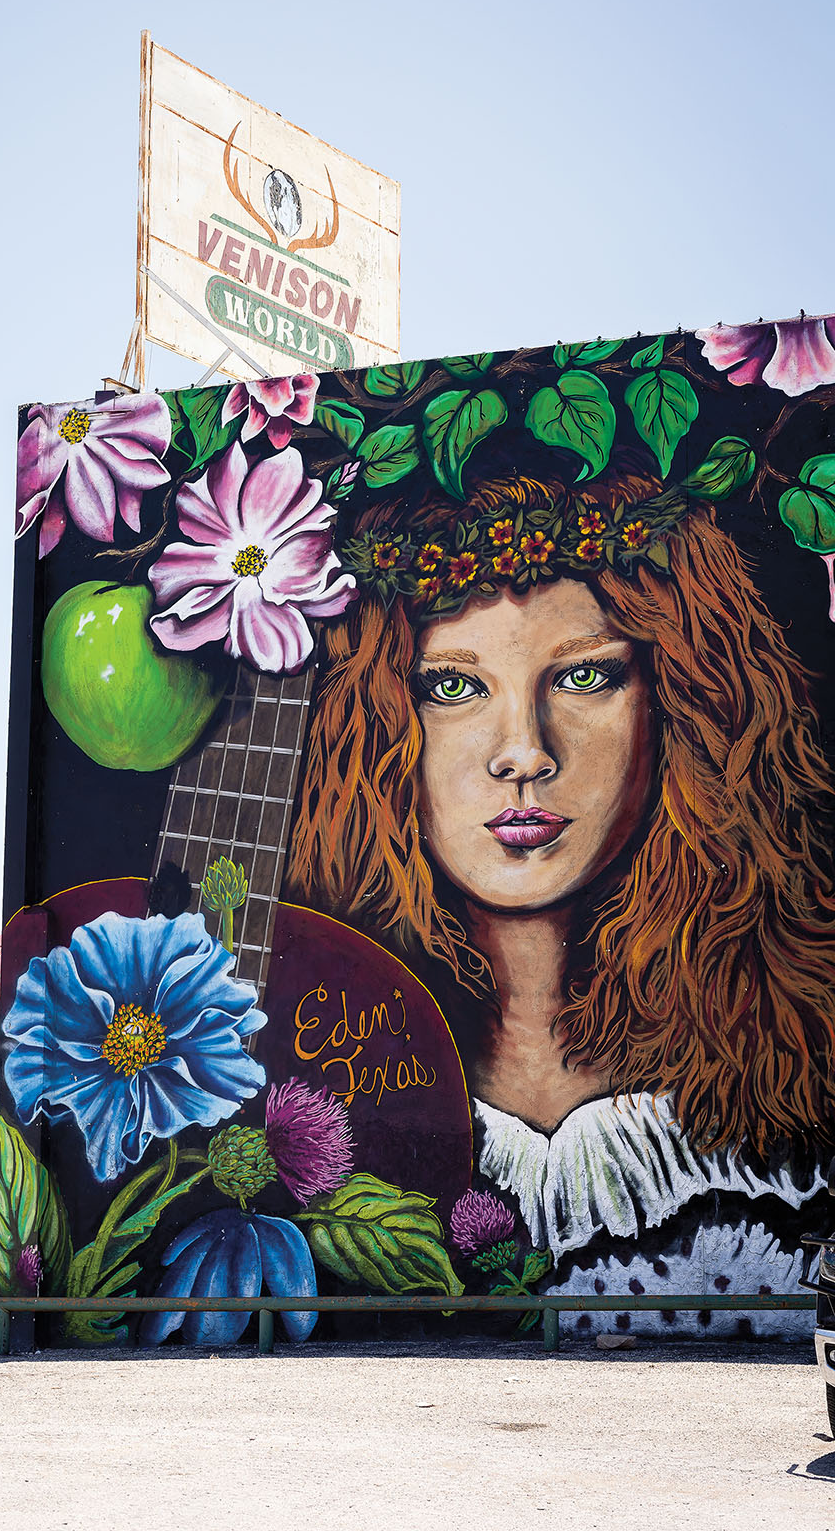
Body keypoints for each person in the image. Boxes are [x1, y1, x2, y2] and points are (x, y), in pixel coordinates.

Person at [287, 464, 835, 1333]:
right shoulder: (310, 1075)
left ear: (680, 703)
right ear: (383, 722)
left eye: (584, 677)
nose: (523, 754)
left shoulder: (794, 1059)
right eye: (454, 687)